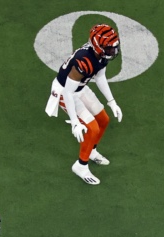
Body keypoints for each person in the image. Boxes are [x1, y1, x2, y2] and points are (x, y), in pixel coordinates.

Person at [46, 22, 122, 185]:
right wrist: (74, 122)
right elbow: (67, 92)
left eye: (113, 47)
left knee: (104, 120)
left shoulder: (99, 56)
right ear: (97, 46)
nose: (112, 51)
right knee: (92, 128)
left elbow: (100, 77)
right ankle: (81, 166)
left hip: (79, 87)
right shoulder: (84, 61)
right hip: (64, 92)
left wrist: (112, 101)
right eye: (109, 48)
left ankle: (91, 151)